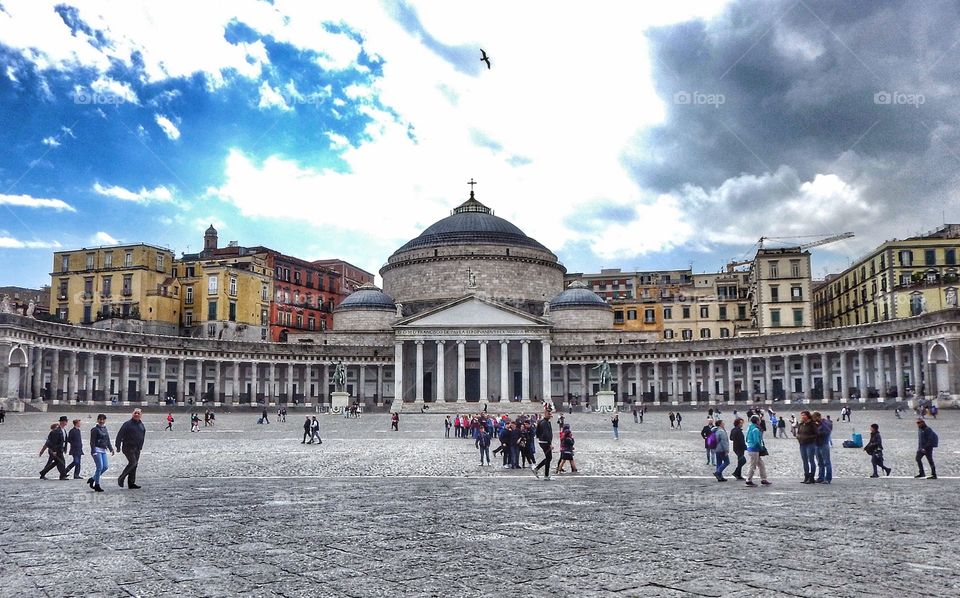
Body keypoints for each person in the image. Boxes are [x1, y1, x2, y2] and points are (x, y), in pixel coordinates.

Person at [115, 409, 146, 490]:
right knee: (133, 463)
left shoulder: (141, 425)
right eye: (135, 413)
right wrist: (117, 446)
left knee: (135, 465)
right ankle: (121, 478)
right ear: (132, 414)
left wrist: (140, 446)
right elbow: (119, 435)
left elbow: (143, 435)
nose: (136, 414)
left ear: (141, 415)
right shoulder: (127, 424)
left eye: (138, 413)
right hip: (128, 447)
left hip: (137, 448)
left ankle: (131, 483)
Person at [87, 414, 114, 492]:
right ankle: (97, 485)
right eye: (100, 419)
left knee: (105, 467)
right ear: (97, 420)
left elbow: (108, 440)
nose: (101, 421)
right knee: (99, 467)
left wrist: (111, 449)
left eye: (103, 419)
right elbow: (92, 442)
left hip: (103, 449)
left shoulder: (105, 429)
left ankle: (92, 479)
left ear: (105, 420)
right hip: (96, 449)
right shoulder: (95, 429)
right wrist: (93, 451)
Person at [744, 415, 771, 487]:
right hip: (754, 449)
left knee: (761, 464)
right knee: (753, 465)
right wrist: (761, 448)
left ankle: (764, 479)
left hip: (750, 448)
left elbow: (746, 438)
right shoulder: (755, 429)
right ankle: (748, 480)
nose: (760, 421)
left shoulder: (750, 427)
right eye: (759, 420)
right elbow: (756, 441)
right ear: (757, 421)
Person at [533, 410, 553, 479]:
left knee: (548, 458)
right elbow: (546, 434)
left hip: (543, 441)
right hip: (545, 442)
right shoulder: (544, 423)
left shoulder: (544, 422)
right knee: (549, 458)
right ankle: (542, 473)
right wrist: (549, 443)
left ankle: (543, 473)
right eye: (548, 414)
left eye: (550, 413)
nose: (550, 415)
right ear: (545, 414)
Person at [813, 411, 833, 484]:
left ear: (818, 417)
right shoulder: (816, 424)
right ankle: (820, 477)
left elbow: (827, 431)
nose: (814, 420)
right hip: (817, 444)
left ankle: (828, 478)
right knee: (820, 463)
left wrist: (818, 428)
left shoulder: (826, 423)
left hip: (824, 444)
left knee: (827, 462)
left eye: (815, 418)